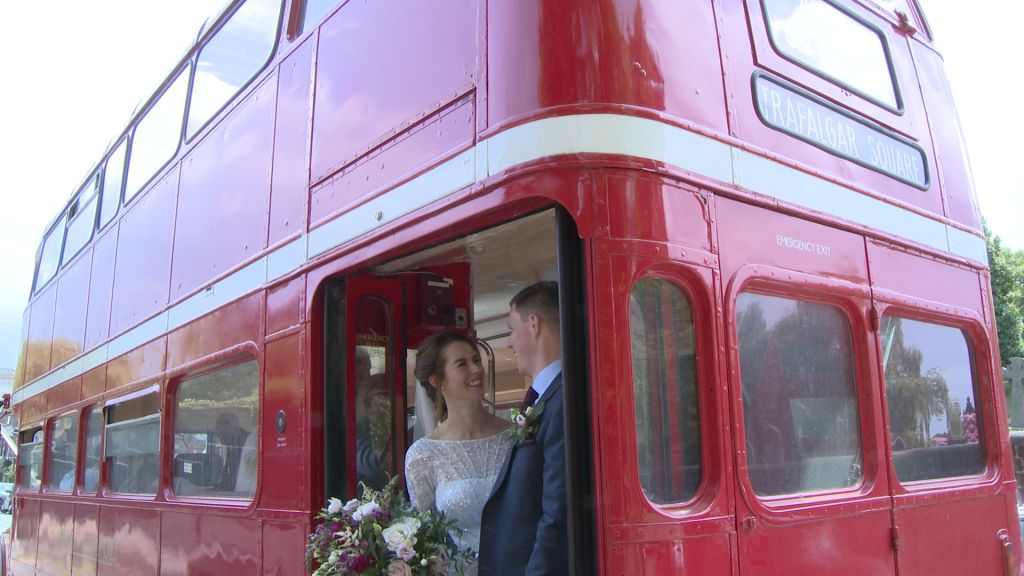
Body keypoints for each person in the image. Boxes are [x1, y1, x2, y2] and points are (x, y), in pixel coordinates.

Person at [479, 281, 568, 576]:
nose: (508, 343)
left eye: (510, 329)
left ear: (533, 324)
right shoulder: (549, 397)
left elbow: (557, 513)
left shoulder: (562, 401)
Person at [405, 332, 513, 576]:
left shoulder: (515, 438)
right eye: (462, 364)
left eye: (476, 360)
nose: (476, 369)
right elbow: (426, 537)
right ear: (437, 381)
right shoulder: (422, 455)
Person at [214, 412, 256, 494]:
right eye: (217, 433)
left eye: (223, 432)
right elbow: (228, 478)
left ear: (235, 428)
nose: (220, 437)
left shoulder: (247, 441)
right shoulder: (231, 443)